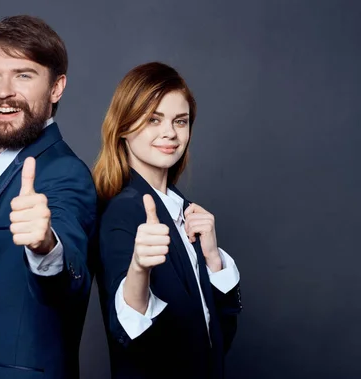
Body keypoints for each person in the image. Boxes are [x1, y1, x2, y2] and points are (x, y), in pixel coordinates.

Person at [0, 15, 97, 379]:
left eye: (23, 75)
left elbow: (67, 267)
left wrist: (46, 245)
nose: (3, 91)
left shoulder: (64, 172)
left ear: (56, 88)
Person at [92, 62, 242, 379]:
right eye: (153, 119)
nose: (170, 133)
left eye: (180, 121)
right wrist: (138, 270)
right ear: (124, 127)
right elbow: (127, 329)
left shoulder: (184, 210)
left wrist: (214, 260)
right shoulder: (124, 210)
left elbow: (217, 338)